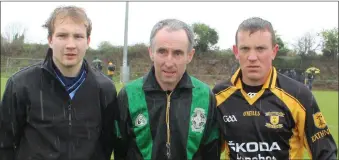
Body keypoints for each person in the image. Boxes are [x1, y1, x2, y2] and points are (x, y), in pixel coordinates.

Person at [0, 6, 121, 160]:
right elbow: (5, 145)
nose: (70, 45)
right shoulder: (20, 85)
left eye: (78, 36)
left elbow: (106, 145)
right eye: (62, 35)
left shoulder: (105, 89)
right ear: (50, 40)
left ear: (88, 41)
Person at [213, 17, 337, 160]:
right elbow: (206, 151)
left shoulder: (299, 95)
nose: (252, 57)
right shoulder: (218, 96)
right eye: (245, 49)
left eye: (260, 49)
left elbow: (325, 153)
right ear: (236, 51)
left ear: (274, 51)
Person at [116, 19, 220, 160]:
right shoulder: (129, 94)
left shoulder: (204, 95)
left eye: (177, 53)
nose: (169, 62)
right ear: (151, 52)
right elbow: (120, 148)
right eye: (162, 52)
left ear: (190, 55)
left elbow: (211, 150)